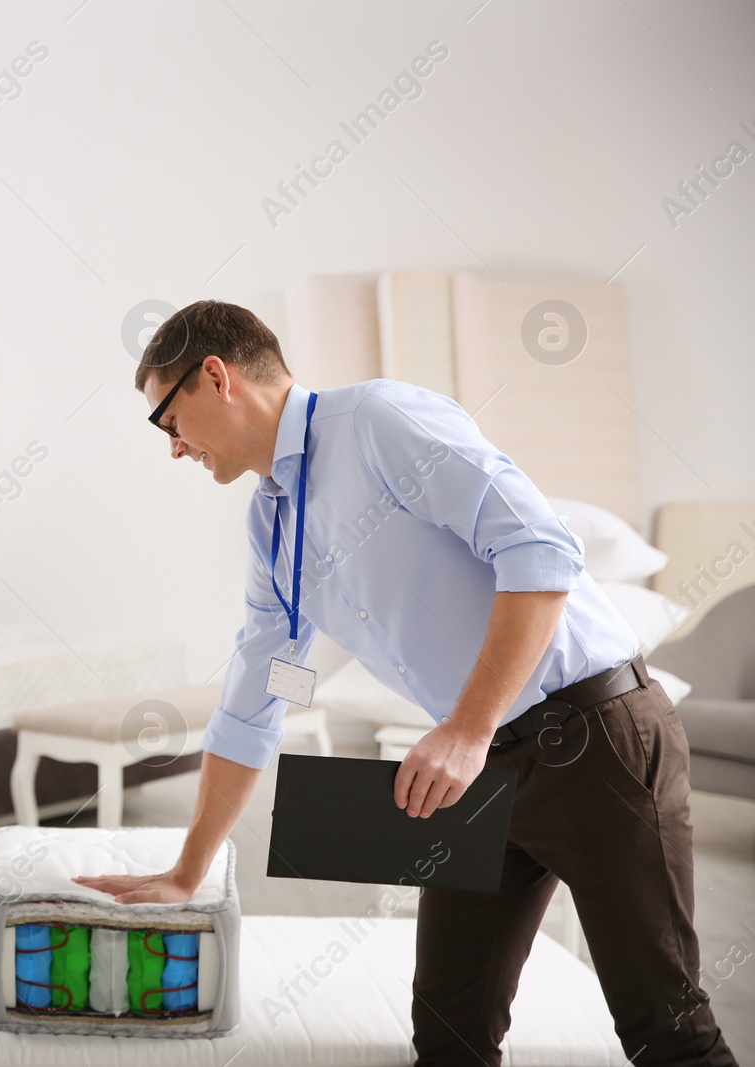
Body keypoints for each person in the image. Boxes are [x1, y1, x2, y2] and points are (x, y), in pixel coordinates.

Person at [72, 300, 739, 1067]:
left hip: (596, 740)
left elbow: (541, 552)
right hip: (482, 773)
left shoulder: (379, 421)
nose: (174, 447)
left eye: (167, 420)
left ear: (214, 376)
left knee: (668, 1034)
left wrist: (464, 729)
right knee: (449, 1041)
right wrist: (189, 870)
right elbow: (251, 702)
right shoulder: (271, 521)